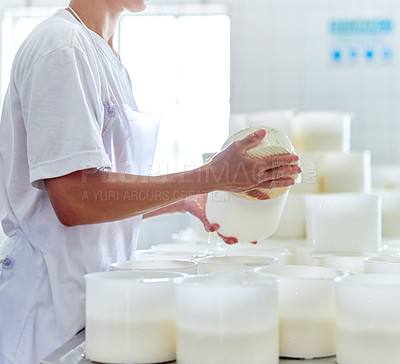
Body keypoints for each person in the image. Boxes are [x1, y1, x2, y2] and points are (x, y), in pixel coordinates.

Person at [0, 0, 300, 363]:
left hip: (91, 307)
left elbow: (101, 196)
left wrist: (185, 199)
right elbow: (74, 199)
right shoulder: (62, 48)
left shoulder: (105, 56)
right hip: (44, 323)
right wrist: (209, 176)